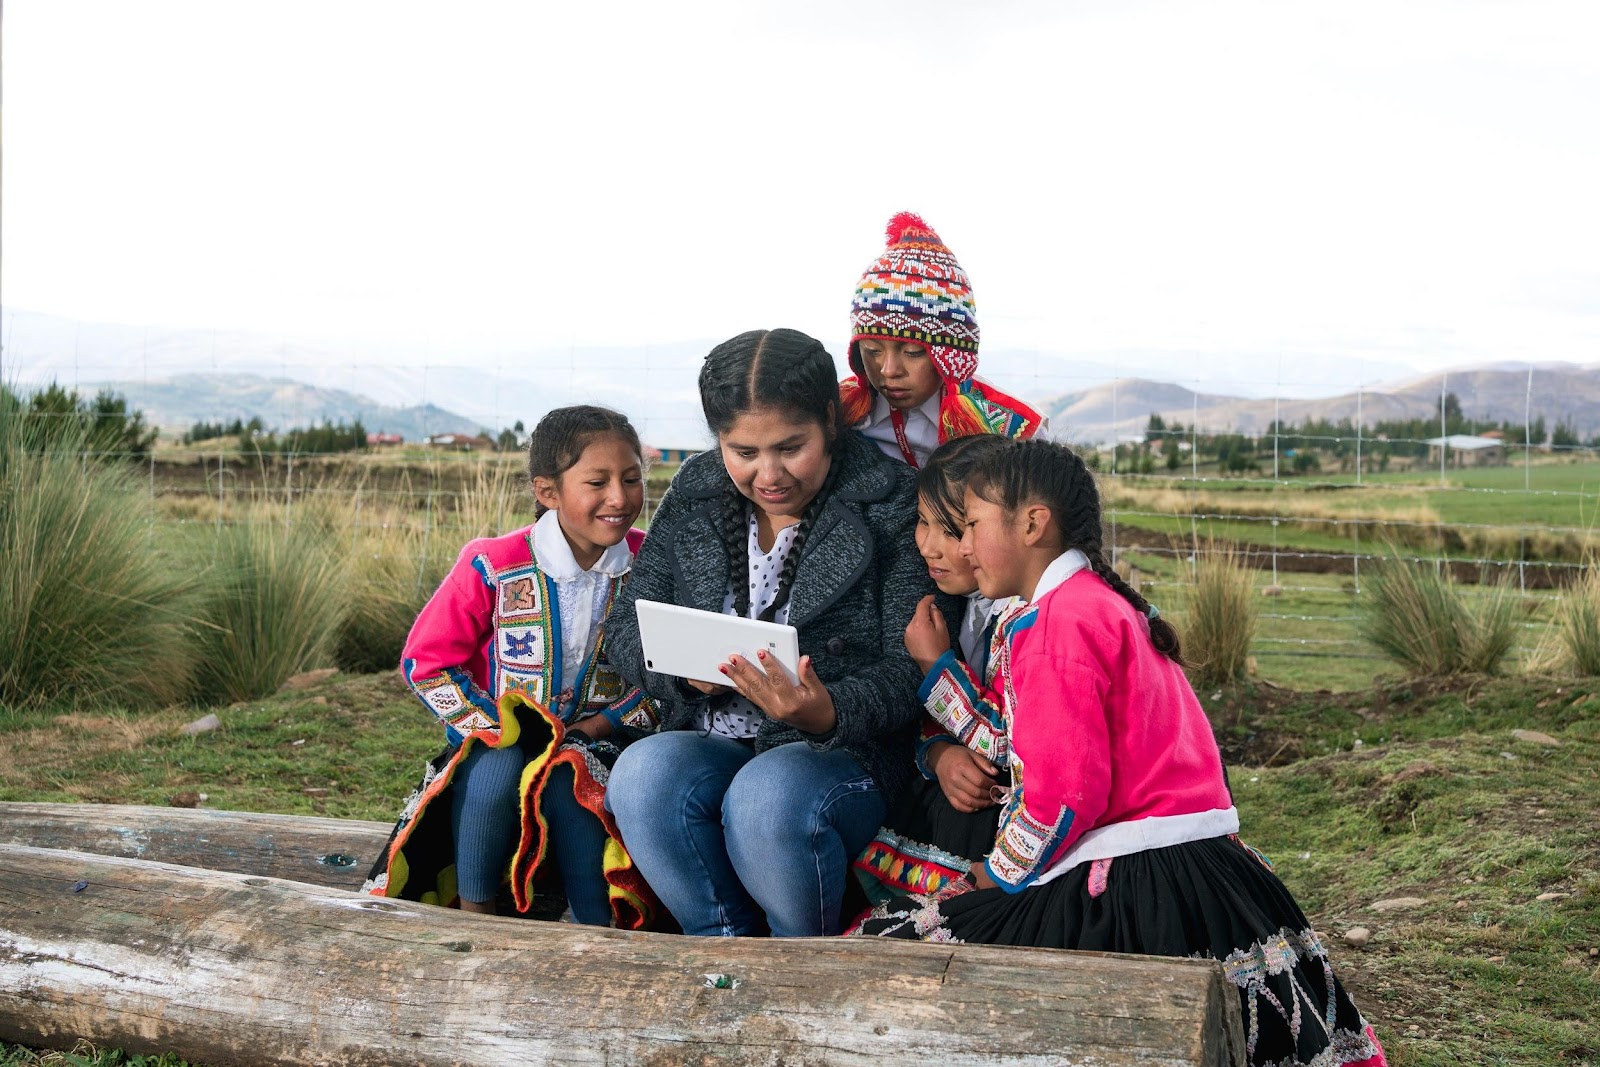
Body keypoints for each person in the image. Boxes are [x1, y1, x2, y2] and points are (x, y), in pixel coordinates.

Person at [851, 439, 1388, 1067]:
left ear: (1032, 523)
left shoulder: (1055, 627)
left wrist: (995, 877)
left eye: (970, 526)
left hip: (1132, 874)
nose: (962, 547)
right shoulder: (1093, 604)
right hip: (1207, 868)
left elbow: (1063, 795)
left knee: (891, 950)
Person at [602, 328, 931, 937]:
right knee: (644, 774)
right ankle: (721, 951)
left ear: (831, 421)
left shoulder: (892, 503)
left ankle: (801, 962)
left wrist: (827, 710)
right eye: (743, 451)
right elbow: (628, 624)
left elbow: (913, 664)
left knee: (766, 797)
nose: (769, 474)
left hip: (838, 752)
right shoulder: (697, 489)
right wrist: (678, 672)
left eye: (790, 447)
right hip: (710, 731)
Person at [364, 406, 660, 929]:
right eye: (598, 481)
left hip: (602, 739)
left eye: (632, 478)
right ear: (547, 492)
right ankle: (476, 915)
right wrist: (498, 728)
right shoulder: (493, 564)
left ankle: (600, 930)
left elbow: (667, 676)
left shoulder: (652, 565)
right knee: (496, 771)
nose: (620, 497)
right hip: (500, 734)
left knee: (575, 785)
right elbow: (427, 662)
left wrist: (600, 724)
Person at [852, 433, 1024, 905]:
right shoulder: (955, 606)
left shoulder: (1027, 616)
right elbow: (922, 717)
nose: (928, 547)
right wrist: (939, 756)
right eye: (922, 523)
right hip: (966, 784)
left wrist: (934, 663)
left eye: (952, 531)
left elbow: (1014, 738)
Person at [838, 211, 1045, 469]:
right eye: (872, 350)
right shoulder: (839, 414)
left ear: (952, 353)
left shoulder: (1010, 433)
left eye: (913, 351)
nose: (888, 370)